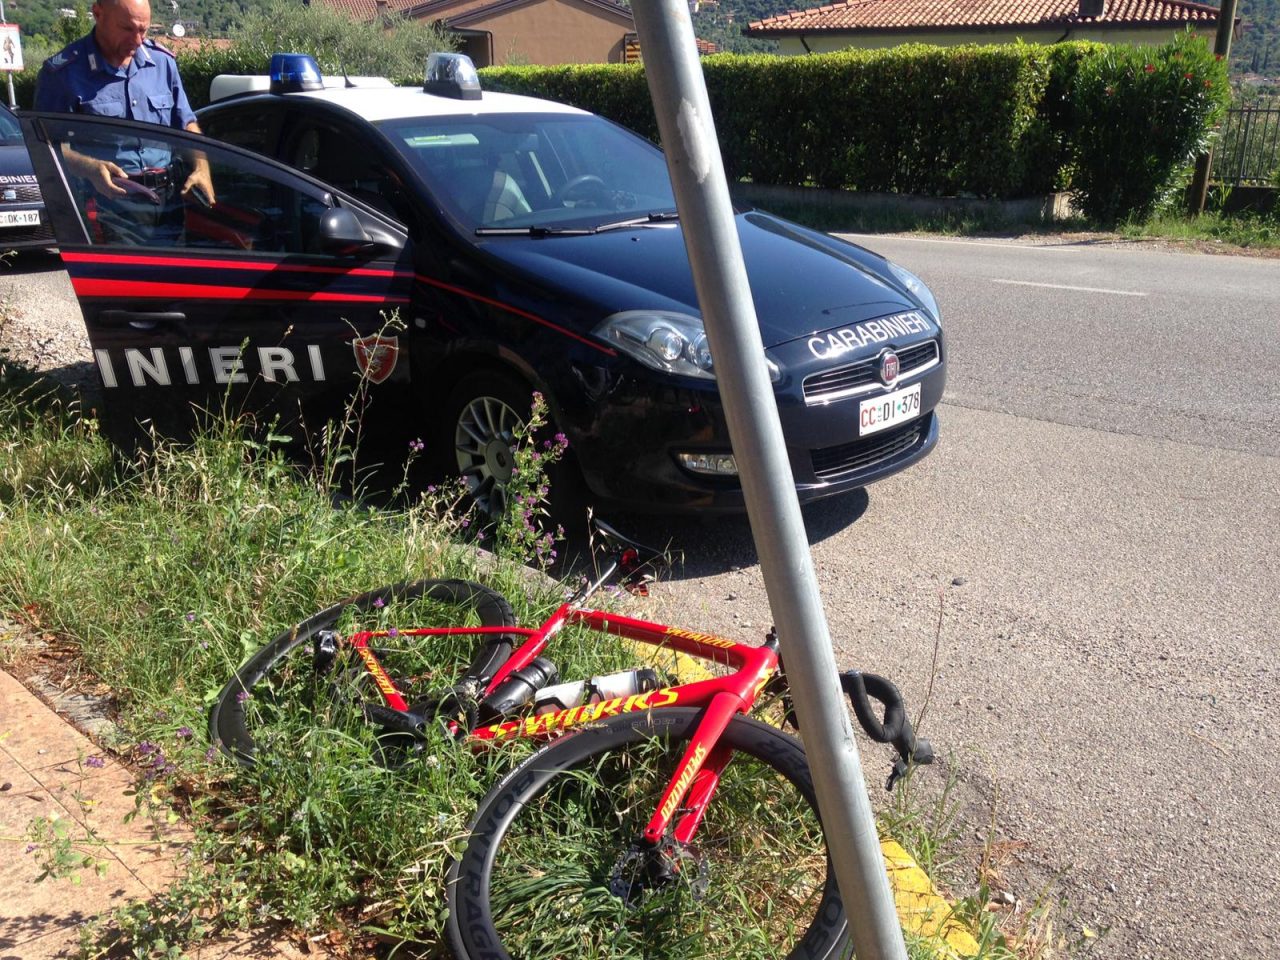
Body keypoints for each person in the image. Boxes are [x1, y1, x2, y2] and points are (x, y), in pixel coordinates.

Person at [34, 0, 215, 243]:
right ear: (98, 14)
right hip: (109, 207)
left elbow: (186, 124)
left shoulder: (162, 64)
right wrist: (88, 167)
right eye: (128, 29)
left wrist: (202, 168)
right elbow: (45, 147)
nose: (138, 40)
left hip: (168, 204)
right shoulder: (63, 74)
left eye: (143, 30)